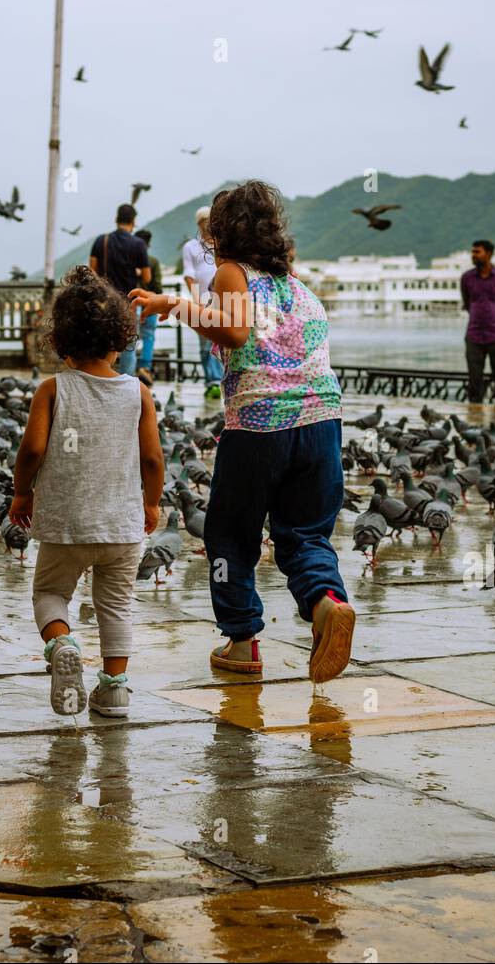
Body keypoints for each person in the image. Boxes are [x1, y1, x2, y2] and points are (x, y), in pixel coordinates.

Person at [129, 180, 354, 684]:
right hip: (322, 423)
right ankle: (327, 603)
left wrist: (173, 306)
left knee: (230, 534)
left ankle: (242, 643)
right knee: (304, 533)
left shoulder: (233, 273)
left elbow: (234, 331)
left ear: (222, 231)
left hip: (260, 424)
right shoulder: (293, 283)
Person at [8, 267, 164, 720]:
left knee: (50, 594)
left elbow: (33, 449)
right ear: (121, 339)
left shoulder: (52, 390)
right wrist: (151, 502)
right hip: (121, 525)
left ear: (58, 341)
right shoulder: (139, 392)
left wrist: (22, 494)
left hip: (65, 523)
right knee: (116, 605)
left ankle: (61, 645)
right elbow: (153, 460)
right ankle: (114, 691)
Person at [89, 204, 151, 375]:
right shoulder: (138, 244)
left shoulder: (102, 240)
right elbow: (147, 277)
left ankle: (102, 377)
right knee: (129, 345)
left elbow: (92, 269)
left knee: (104, 343)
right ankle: (126, 383)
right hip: (129, 302)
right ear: (132, 221)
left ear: (117, 219)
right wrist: (136, 271)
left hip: (104, 302)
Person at [461, 239, 495, 404]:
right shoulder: (467, 278)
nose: (473, 255)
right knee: (474, 382)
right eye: (473, 252)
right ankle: (474, 420)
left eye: (477, 252)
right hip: (474, 334)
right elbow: (467, 302)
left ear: (488, 254)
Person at [182, 206, 224, 399]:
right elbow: (189, 275)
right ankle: (212, 381)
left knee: (224, 339)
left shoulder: (222, 243)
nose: (207, 223)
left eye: (210, 218)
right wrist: (196, 300)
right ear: (198, 224)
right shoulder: (191, 247)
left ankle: (223, 379)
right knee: (206, 343)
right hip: (203, 300)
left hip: (224, 298)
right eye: (203, 219)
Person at [134, 228, 162, 382]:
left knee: (130, 337)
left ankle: (130, 369)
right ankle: (145, 367)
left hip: (132, 302)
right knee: (149, 336)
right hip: (150, 302)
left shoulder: (129, 261)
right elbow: (158, 286)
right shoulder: (153, 262)